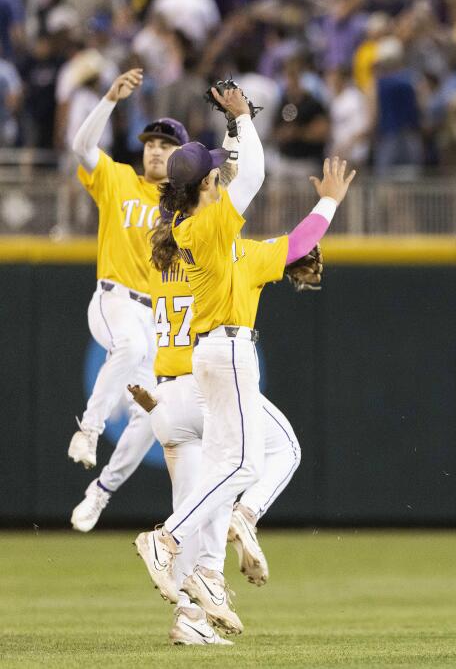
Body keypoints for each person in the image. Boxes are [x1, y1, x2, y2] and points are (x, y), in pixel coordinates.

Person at [132, 83, 353, 626]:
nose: (220, 173)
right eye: (213, 172)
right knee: (243, 462)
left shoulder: (217, 237)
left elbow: (295, 246)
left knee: (239, 462)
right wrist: (240, 120)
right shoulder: (207, 226)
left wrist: (326, 203)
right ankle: (168, 539)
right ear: (206, 184)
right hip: (226, 353)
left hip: (212, 355)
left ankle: (198, 556)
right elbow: (250, 173)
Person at [128, 176, 308, 643]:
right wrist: (289, 261)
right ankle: (244, 518)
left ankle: (190, 617)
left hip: (166, 398)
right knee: (273, 452)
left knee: (200, 503)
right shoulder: (219, 251)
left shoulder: (159, 261)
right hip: (202, 384)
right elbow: (261, 251)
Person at [67, 68, 186, 532]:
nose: (155, 149)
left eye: (166, 145)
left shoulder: (187, 206)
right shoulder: (117, 179)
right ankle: (89, 429)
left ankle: (100, 492)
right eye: (151, 143)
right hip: (113, 299)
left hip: (155, 318)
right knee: (131, 349)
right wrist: (110, 100)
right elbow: (80, 147)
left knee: (152, 416)